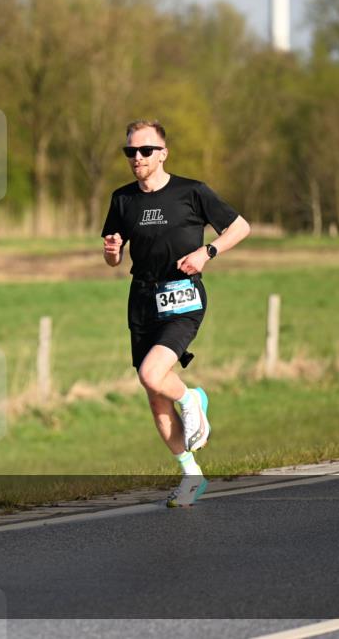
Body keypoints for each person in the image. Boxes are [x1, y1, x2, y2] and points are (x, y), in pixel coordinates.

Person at [101, 120, 251, 507]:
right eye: (130, 151)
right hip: (142, 300)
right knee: (153, 392)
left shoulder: (191, 191)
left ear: (163, 153)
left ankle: (192, 399)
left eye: (145, 150)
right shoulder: (122, 199)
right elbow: (114, 260)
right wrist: (112, 251)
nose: (137, 158)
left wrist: (207, 252)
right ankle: (191, 475)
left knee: (154, 375)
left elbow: (240, 227)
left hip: (183, 298)